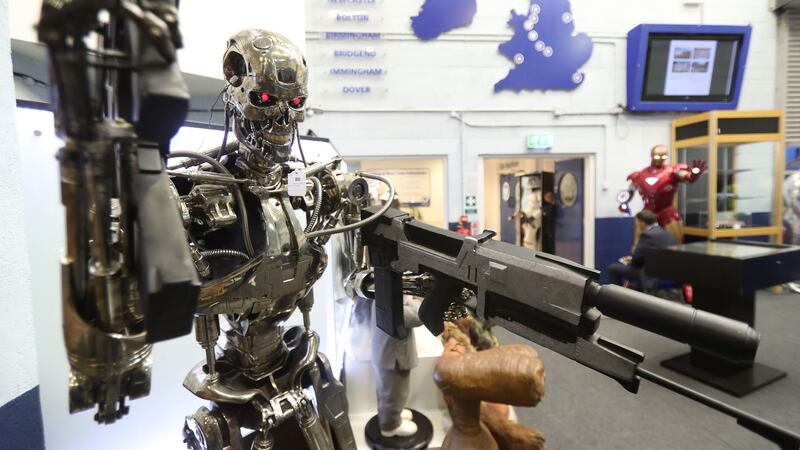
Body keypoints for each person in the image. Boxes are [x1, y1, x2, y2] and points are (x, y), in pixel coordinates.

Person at [608, 210, 677, 289]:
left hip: (650, 274)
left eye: (636, 222)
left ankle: (617, 297)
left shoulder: (646, 235)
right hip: (667, 273)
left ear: (642, 222)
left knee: (612, 268)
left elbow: (637, 260)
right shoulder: (666, 233)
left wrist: (629, 261)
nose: (636, 225)